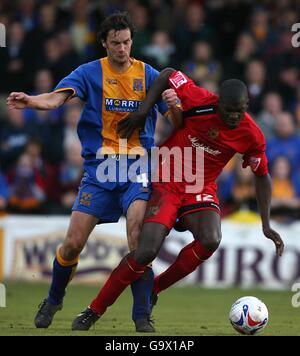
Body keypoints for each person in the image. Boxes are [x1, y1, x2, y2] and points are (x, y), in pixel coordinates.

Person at [71, 68, 284, 331]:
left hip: (200, 187)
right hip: (167, 179)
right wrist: (142, 111)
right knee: (146, 251)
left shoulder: (251, 134)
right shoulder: (198, 98)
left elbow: (262, 176)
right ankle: (94, 310)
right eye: (228, 109)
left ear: (247, 106)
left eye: (239, 110)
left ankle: (154, 288)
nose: (233, 116)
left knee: (211, 239)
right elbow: (167, 74)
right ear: (218, 102)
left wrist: (266, 224)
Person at [7, 12, 170, 333]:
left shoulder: (149, 74)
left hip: (137, 167)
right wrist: (31, 100)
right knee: (72, 244)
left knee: (137, 236)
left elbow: (173, 117)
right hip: (100, 169)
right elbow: (56, 99)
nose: (122, 48)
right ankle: (54, 299)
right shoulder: (89, 72)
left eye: (126, 42)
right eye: (115, 43)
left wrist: (176, 104)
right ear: (104, 44)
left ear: (131, 41)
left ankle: (141, 316)